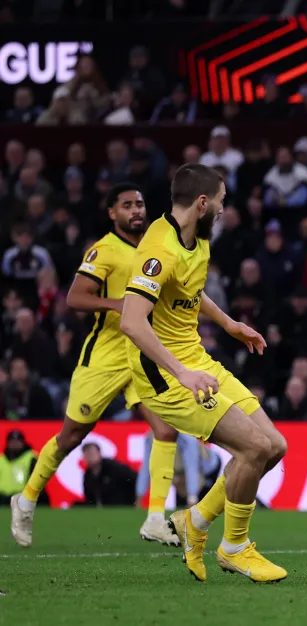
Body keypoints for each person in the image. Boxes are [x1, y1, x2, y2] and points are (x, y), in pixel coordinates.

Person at [120, 164, 287, 583]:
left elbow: (190, 291)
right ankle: (234, 548)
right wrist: (182, 373)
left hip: (195, 358)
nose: (224, 209)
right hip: (165, 374)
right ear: (202, 203)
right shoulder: (158, 250)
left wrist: (229, 324)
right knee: (252, 448)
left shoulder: (196, 238)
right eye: (222, 201)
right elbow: (132, 322)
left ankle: (195, 521)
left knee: (274, 446)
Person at [10, 184, 181, 549]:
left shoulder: (155, 245)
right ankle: (25, 500)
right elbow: (74, 297)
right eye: (127, 205)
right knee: (72, 435)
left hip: (142, 352)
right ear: (112, 214)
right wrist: (117, 304)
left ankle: (154, 517)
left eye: (140, 203)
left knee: (166, 430)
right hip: (104, 356)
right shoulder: (104, 249)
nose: (136, 210)